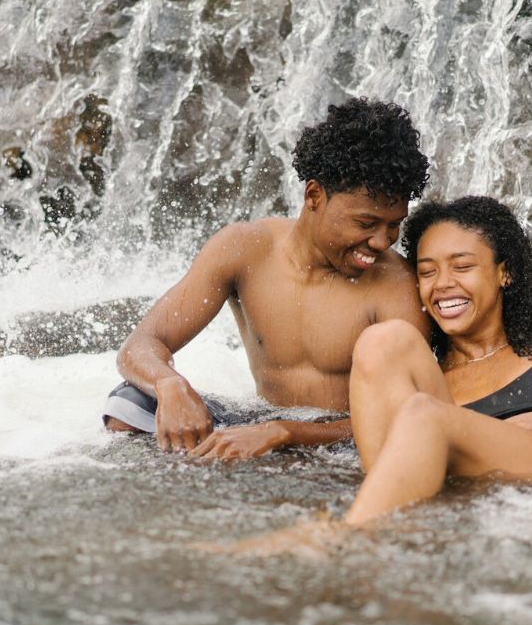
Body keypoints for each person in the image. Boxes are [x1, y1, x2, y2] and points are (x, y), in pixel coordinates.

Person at [103, 98, 432, 459]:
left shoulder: (396, 287)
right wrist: (170, 385)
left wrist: (283, 433)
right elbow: (142, 344)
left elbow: (404, 416)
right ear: (314, 195)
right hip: (262, 419)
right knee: (128, 404)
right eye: (366, 223)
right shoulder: (246, 249)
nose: (382, 241)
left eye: (393, 225)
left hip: (342, 439)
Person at [339, 196, 532, 524]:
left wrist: (508, 441)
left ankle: (347, 535)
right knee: (380, 341)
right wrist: (292, 430)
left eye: (462, 267)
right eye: (427, 272)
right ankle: (386, 527)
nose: (443, 284)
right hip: (471, 501)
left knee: (425, 414)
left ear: (504, 273)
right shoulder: (430, 379)